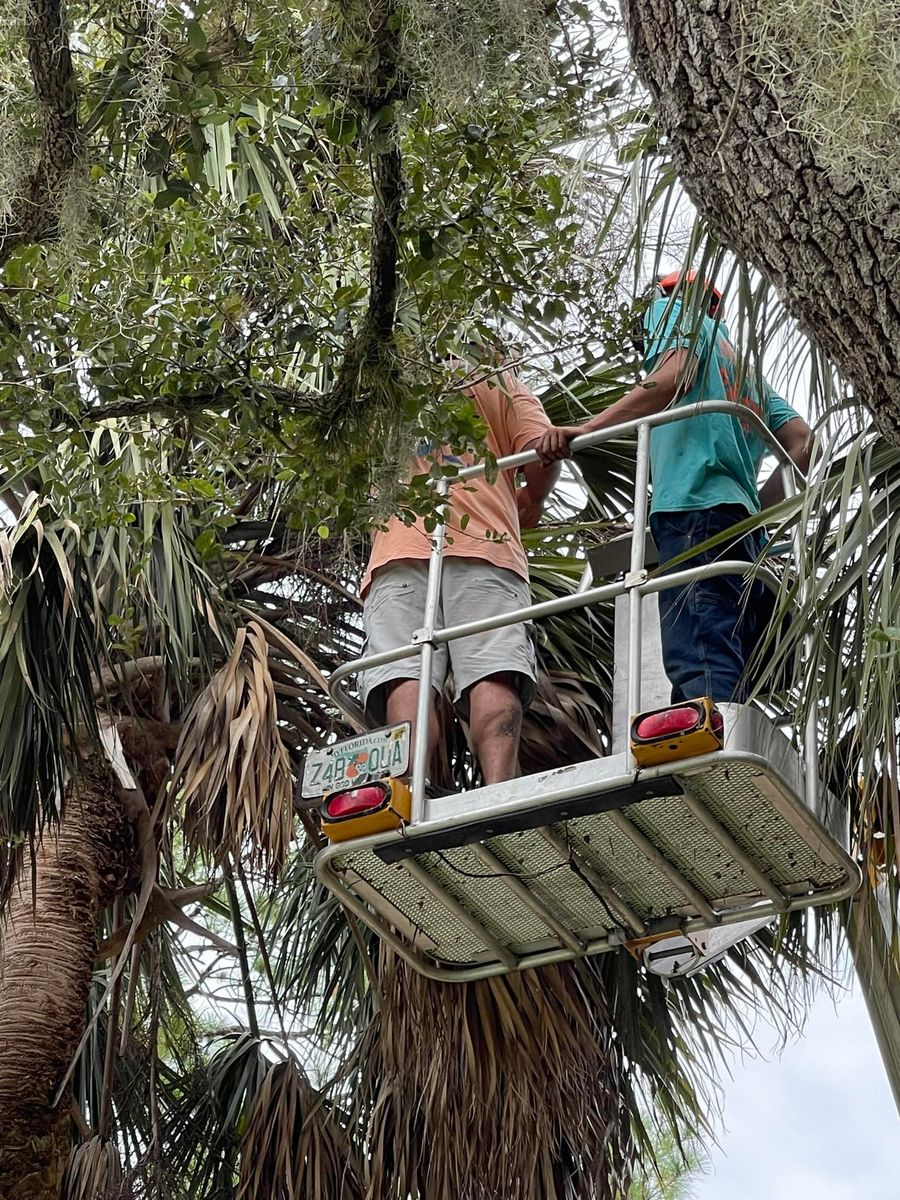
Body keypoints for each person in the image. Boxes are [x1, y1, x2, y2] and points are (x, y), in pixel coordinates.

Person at [535, 271, 814, 704]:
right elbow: (804, 444)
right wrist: (758, 509)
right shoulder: (742, 369)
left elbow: (675, 374)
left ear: (671, 296)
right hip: (739, 525)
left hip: (692, 509)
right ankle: (713, 746)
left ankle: (716, 755)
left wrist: (587, 430)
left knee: (699, 647)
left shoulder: (673, 313)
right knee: (718, 645)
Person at [359, 360, 560, 784]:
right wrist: (533, 499)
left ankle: (407, 794)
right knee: (492, 670)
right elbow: (543, 447)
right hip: (483, 545)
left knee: (406, 677)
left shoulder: (380, 383)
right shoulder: (496, 379)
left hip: (399, 548)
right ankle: (498, 793)